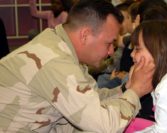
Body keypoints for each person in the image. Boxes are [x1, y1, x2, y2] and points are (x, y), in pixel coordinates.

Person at [0, 0, 154, 132]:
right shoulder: (55, 60)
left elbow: (91, 99)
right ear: (85, 35)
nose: (110, 51)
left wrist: (125, 90)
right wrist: (136, 91)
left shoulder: (59, 46)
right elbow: (104, 125)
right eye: (108, 43)